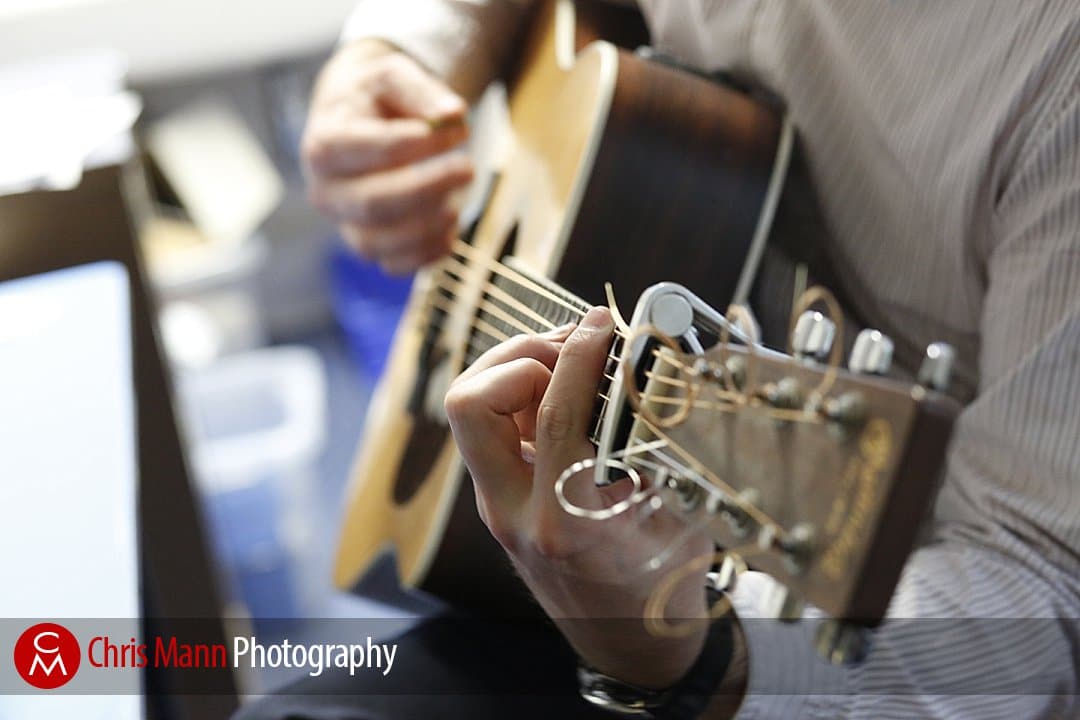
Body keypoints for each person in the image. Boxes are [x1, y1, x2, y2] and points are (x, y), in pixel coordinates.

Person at [241, 1, 1080, 717]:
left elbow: (1040, 601)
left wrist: (695, 659)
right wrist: (399, 51)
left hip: (820, 610)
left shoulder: (1054, 69)